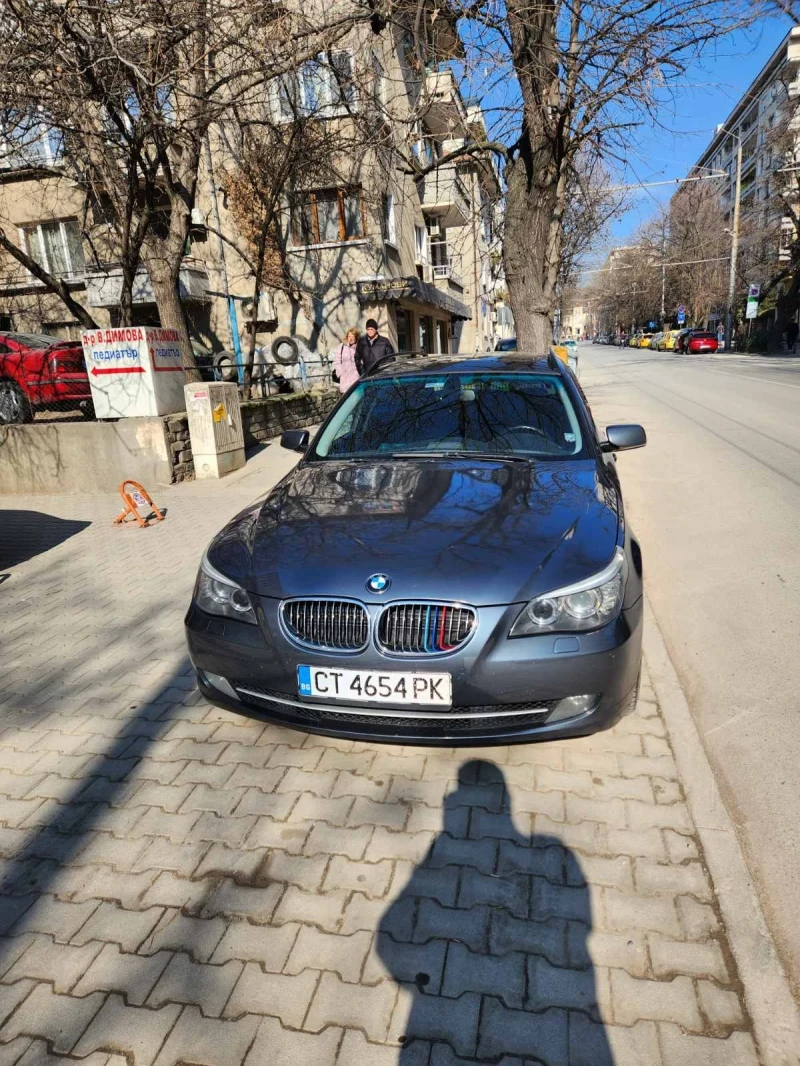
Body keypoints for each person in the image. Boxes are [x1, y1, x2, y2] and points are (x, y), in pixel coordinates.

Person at [332, 328, 360, 393]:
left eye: (353, 337)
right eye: (349, 336)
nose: (350, 338)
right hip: (344, 379)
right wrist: (340, 373)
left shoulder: (359, 347)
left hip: (356, 379)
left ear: (356, 338)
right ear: (347, 337)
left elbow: (361, 362)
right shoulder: (341, 347)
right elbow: (337, 361)